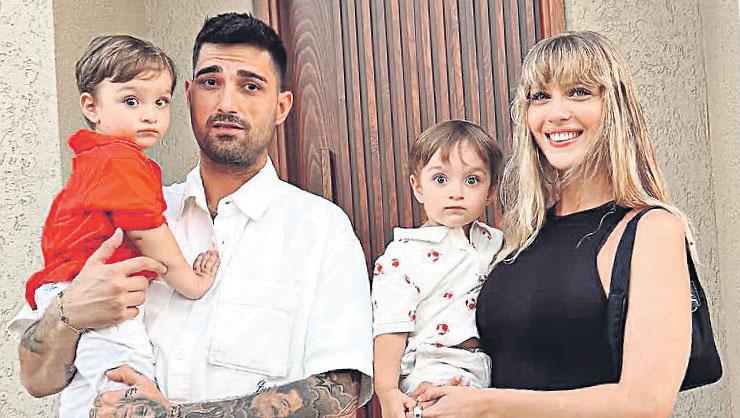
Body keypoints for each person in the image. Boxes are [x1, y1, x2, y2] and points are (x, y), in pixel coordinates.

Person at [10, 13, 373, 418]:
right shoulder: (114, 213)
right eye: (210, 83)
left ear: (281, 106)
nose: (227, 104)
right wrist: (69, 313)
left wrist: (173, 416)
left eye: (251, 86)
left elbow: (339, 390)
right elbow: (35, 380)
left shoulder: (320, 229)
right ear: (187, 94)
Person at [413, 31, 693, 417]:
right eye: (540, 96)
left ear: (614, 108)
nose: (556, 113)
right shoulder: (519, 236)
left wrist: (487, 406)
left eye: (579, 92)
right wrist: (444, 387)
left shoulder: (651, 230)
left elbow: (645, 403)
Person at [21, 34, 220, 418]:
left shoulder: (94, 160)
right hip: (97, 291)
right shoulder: (120, 162)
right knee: (128, 371)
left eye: (161, 101)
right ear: (91, 106)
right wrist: (192, 283)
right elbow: (148, 232)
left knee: (89, 385)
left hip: (65, 286)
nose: (150, 114)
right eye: (131, 101)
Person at [372, 120, 503, 418]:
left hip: (484, 368)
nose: (456, 192)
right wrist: (388, 392)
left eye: (472, 180)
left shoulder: (495, 242)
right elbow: (390, 328)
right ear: (418, 187)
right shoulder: (404, 255)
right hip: (430, 368)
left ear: (490, 191)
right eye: (441, 179)